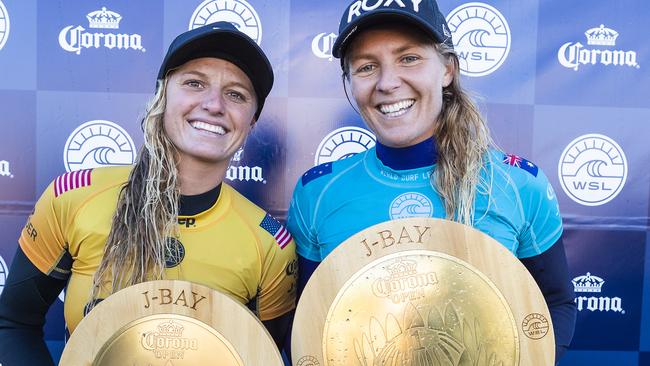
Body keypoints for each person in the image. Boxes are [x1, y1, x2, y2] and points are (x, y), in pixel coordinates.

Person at [287, 0, 576, 363]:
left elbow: (556, 304)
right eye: (366, 66)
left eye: (409, 58)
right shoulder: (317, 194)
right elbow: (310, 322)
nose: (387, 82)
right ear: (350, 82)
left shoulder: (518, 186)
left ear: (447, 69)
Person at [0, 22, 296, 365]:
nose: (214, 104)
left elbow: (263, 358)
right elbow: (14, 323)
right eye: (194, 83)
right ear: (162, 96)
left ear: (251, 122)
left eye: (236, 94)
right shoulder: (75, 198)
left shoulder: (270, 245)